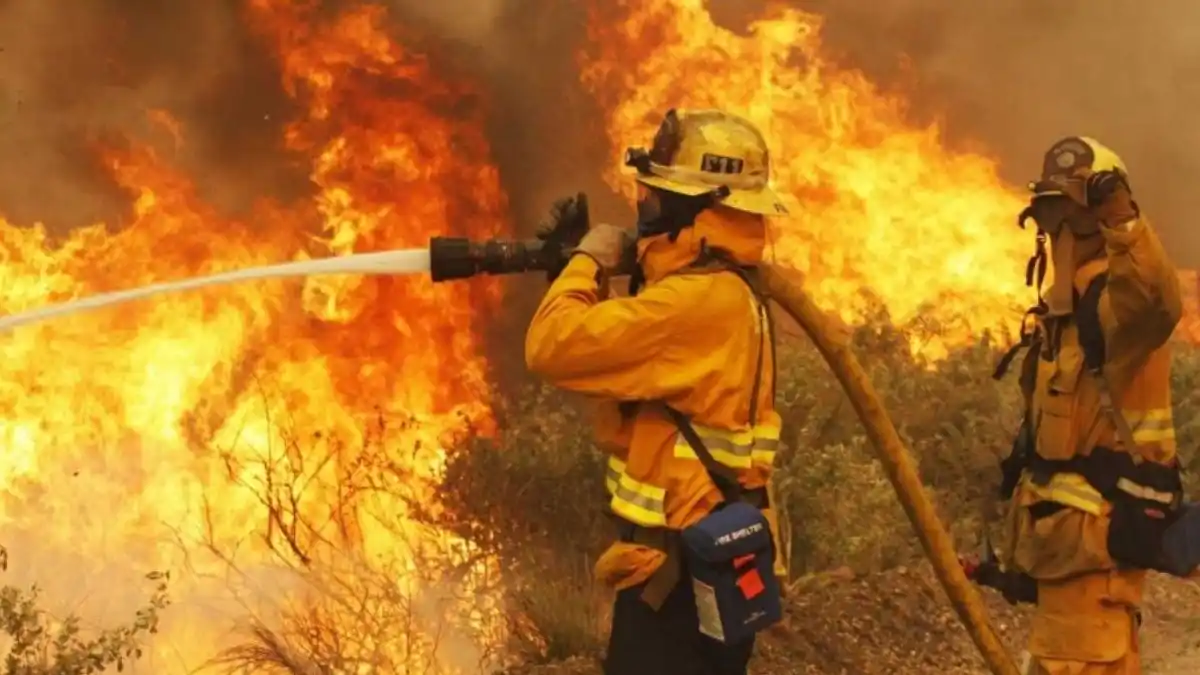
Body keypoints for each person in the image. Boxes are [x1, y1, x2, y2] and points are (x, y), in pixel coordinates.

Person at [524, 108, 790, 675]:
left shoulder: (695, 303)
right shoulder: (726, 289)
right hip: (711, 562)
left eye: (658, 197)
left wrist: (587, 263)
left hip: (677, 583)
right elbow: (634, 351)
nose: (645, 209)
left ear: (700, 207)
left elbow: (550, 347)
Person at [993, 136, 1184, 674]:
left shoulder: (1116, 312)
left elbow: (1157, 300)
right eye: (1051, 216)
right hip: (1064, 561)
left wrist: (1122, 219)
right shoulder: (1065, 316)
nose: (1062, 233)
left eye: (1075, 216)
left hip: (1094, 560)